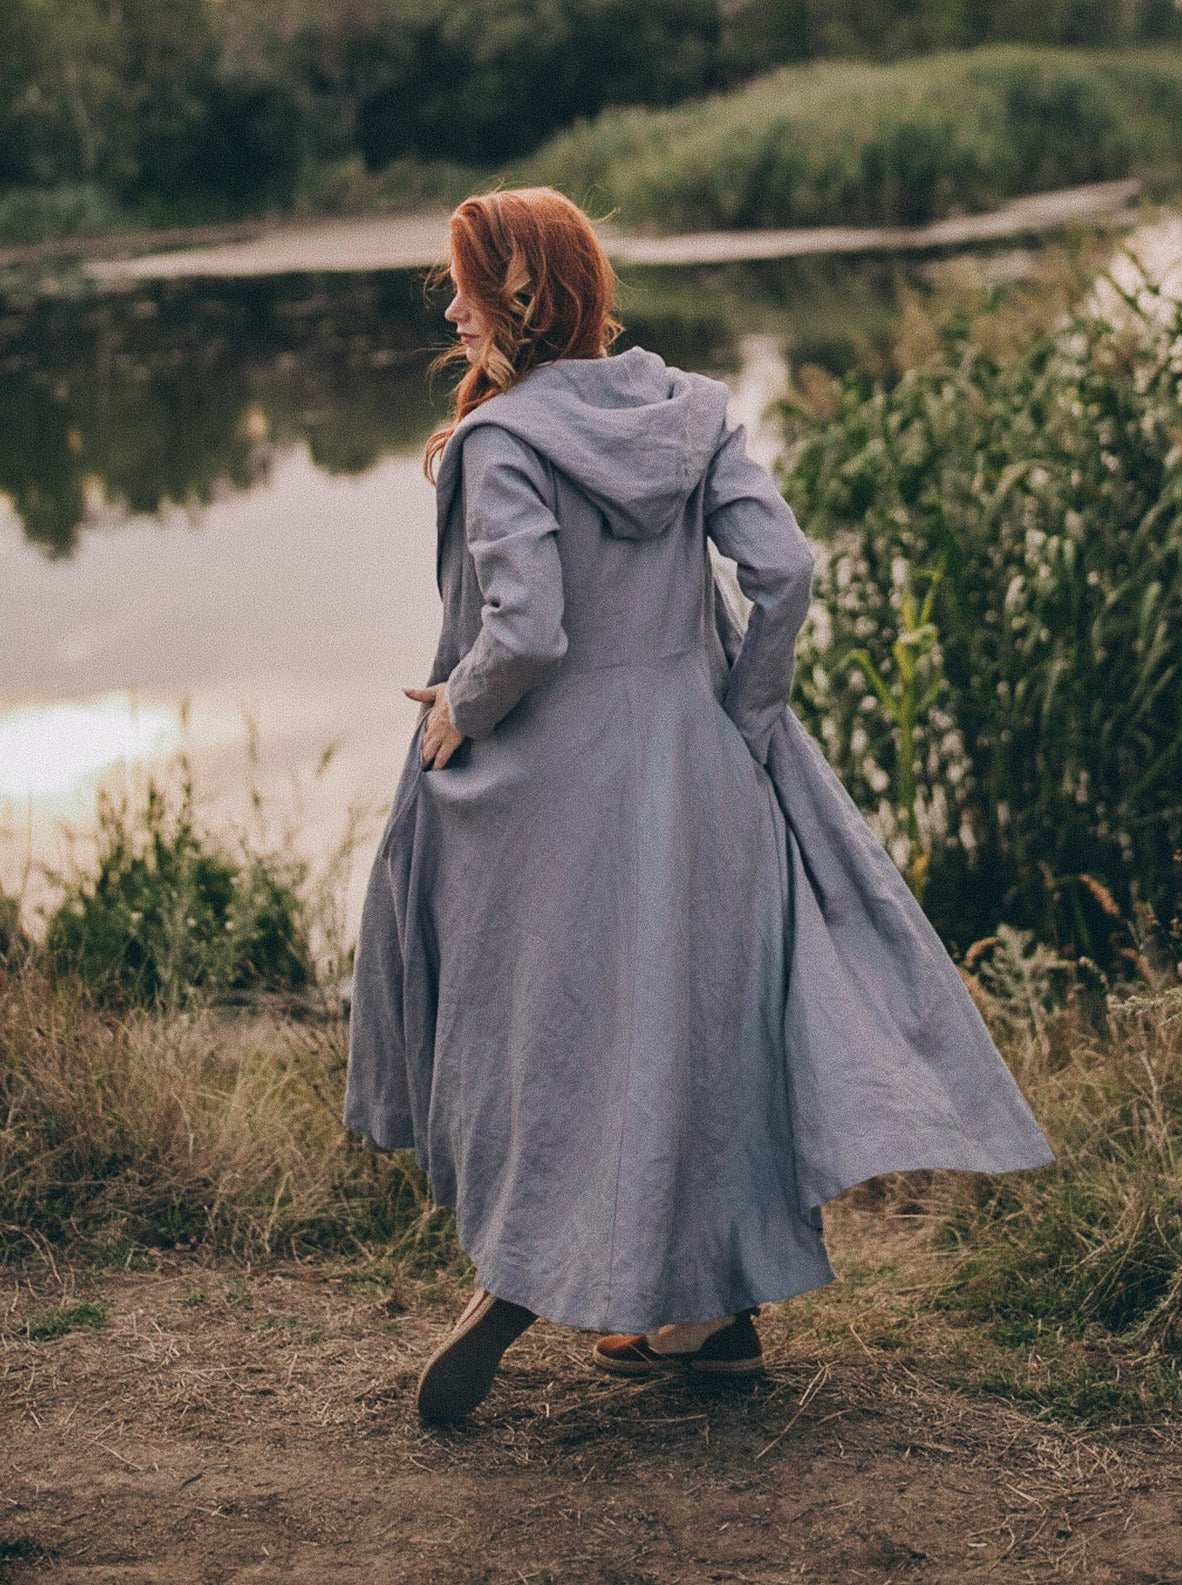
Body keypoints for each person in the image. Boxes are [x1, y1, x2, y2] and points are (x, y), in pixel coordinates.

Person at [343, 186, 1053, 1426]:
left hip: (557, 789)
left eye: (465, 287)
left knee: (541, 1030)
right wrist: (745, 719)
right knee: (689, 1029)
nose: (450, 310)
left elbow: (528, 631)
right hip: (702, 764)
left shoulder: (503, 441)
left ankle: (523, 1263)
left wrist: (461, 702)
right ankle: (711, 1319)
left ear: (519, 296)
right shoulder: (690, 409)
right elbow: (784, 569)